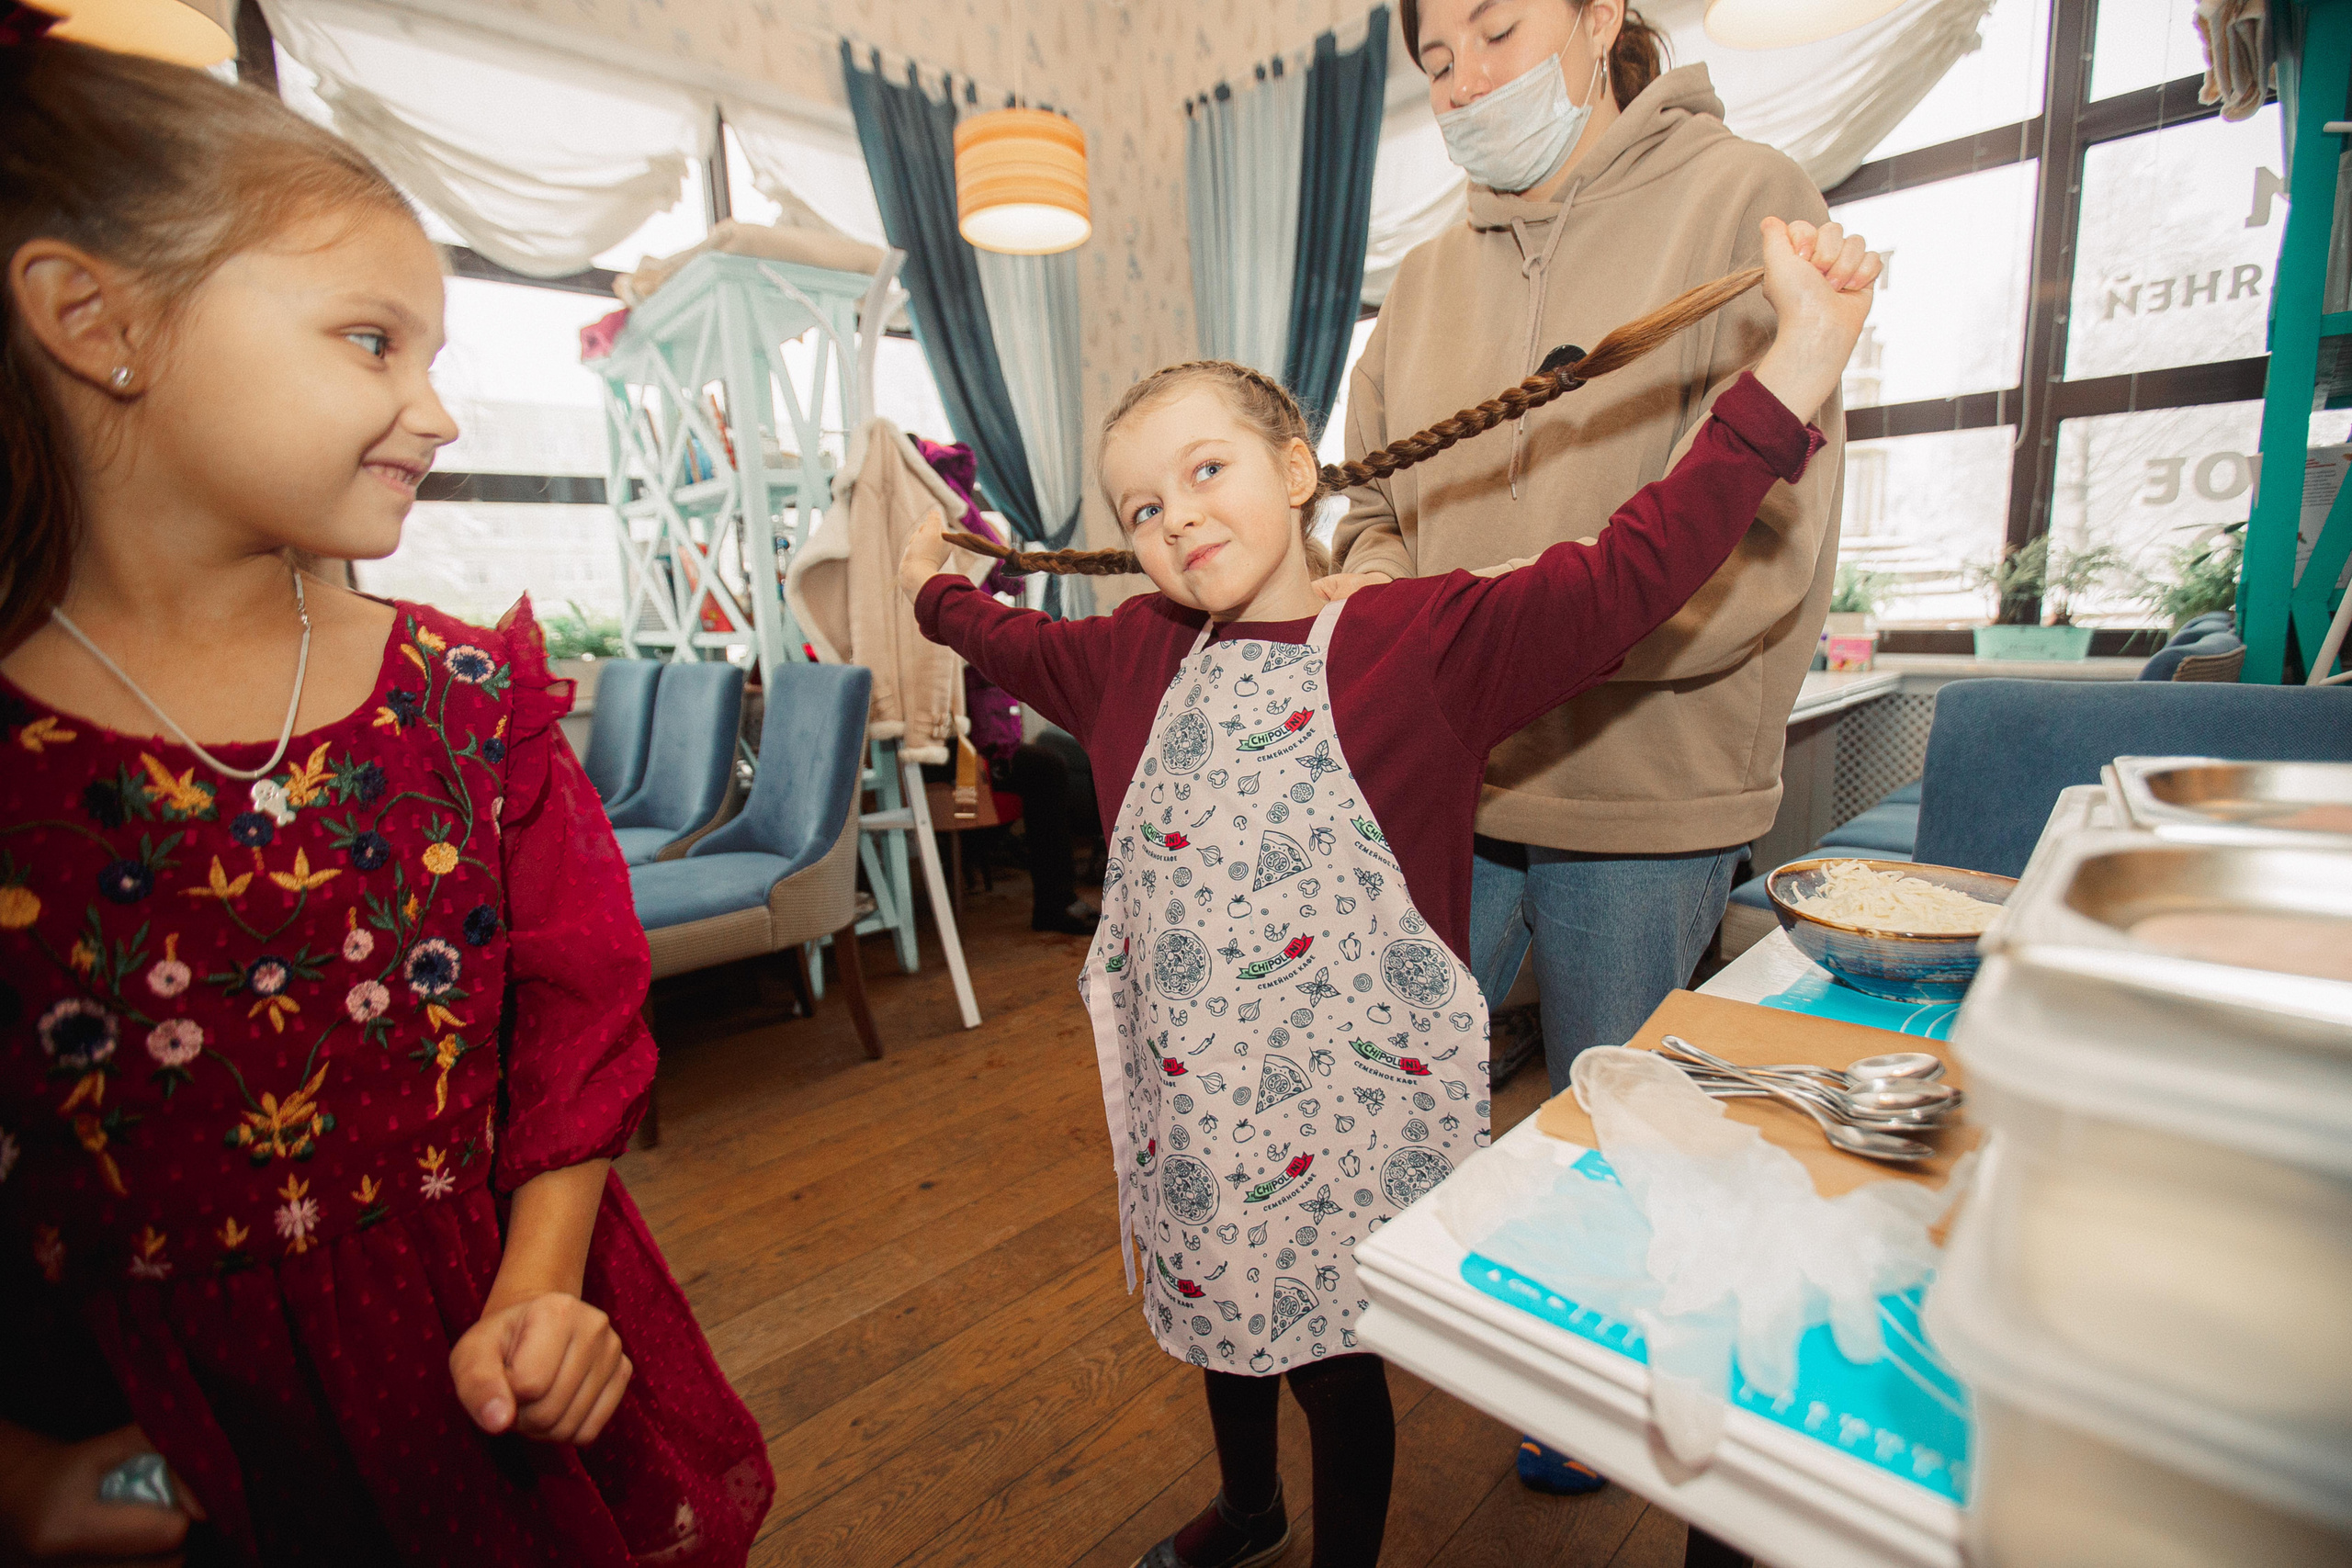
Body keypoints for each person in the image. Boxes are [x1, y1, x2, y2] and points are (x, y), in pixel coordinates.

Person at [899, 218, 1877, 1568]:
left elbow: (1633, 570)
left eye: (1207, 468)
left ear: (1296, 468)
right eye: (1142, 505)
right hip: (1192, 1099)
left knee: (1331, 1363)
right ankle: (1249, 1507)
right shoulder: (1126, 658)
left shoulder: (1419, 647)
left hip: (1346, 1110)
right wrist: (927, 593)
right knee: (1212, 1310)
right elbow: (1002, 632)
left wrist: (1796, 368)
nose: (1178, 515)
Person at [0, 28, 769, 1565]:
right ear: (97, 318)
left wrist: (544, 1284)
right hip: (170, 1443)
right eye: (372, 342)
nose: (439, 413)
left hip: (483, 1382)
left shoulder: (468, 701)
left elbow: (570, 1017)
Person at [1324, 6, 1846, 1498]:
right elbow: (1371, 507)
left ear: (1601, 12)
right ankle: (1426, 1313)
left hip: (1650, 778)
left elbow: (1771, 536)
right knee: (1394, 1075)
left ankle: (1594, 1381)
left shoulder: (1746, 196)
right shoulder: (1421, 281)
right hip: (1453, 784)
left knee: (1621, 1114)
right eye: (1438, 61)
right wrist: (1387, 611)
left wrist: (1511, 672)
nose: (1467, 78)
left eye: (1498, 28)